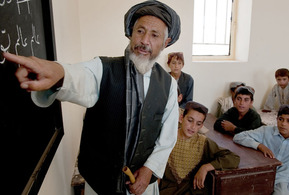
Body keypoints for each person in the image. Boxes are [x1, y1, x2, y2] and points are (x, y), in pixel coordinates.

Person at [2, 1, 182, 195]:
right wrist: (59, 73)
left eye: (154, 35)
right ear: (131, 33)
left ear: (166, 42)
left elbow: (168, 136)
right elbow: (80, 76)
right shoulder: (103, 68)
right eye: (140, 31)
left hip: (143, 187)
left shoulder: (169, 85)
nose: (144, 40)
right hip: (99, 184)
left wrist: (149, 170)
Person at [159, 101, 240, 195]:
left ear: (201, 126)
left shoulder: (203, 142)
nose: (193, 127)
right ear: (181, 118)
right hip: (167, 190)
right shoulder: (167, 138)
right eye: (190, 120)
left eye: (198, 124)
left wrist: (205, 168)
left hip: (191, 190)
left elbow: (233, 158)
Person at [233, 104, 289, 195]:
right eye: (280, 119)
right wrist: (260, 146)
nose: (283, 123)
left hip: (282, 178)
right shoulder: (266, 131)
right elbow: (238, 137)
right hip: (262, 174)